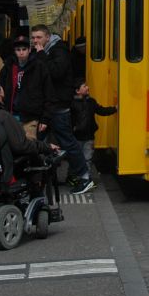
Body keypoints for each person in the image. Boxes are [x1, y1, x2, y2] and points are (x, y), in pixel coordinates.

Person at [32, 24, 95, 194]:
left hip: (58, 105)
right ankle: (39, 178)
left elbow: (56, 72)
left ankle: (84, 177)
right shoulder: (46, 52)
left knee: (66, 141)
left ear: (47, 37)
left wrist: (40, 55)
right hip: (49, 105)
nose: (35, 41)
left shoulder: (58, 51)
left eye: (38, 37)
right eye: (33, 38)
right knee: (39, 140)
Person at [0, 82, 59, 159]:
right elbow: (21, 146)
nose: (2, 102)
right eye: (2, 97)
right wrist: (47, 147)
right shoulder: (2, 115)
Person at [0, 36, 49, 139]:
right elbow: (0, 89)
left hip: (31, 117)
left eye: (24, 49)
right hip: (11, 115)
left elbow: (48, 93)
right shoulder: (8, 67)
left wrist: (45, 119)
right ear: (14, 51)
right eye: (18, 50)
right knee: (12, 147)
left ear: (29, 50)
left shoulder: (39, 67)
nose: (21, 52)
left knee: (30, 147)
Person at [71, 82, 116, 173]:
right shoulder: (72, 103)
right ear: (77, 91)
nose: (88, 87)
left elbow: (102, 111)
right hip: (76, 137)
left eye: (87, 85)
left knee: (87, 158)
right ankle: (73, 177)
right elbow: (69, 119)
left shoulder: (91, 101)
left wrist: (115, 108)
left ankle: (85, 179)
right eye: (84, 86)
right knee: (75, 158)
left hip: (89, 137)